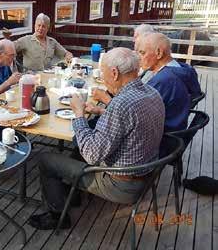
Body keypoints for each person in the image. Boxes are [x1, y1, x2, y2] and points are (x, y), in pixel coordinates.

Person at [28, 48, 165, 230]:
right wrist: (101, 111)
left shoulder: (121, 104)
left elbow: (92, 154)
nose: (103, 78)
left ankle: (57, 216)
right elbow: (130, 123)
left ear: (115, 73)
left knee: (46, 159)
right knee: (78, 148)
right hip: (147, 174)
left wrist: (78, 114)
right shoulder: (152, 92)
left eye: (103, 73)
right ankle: (73, 193)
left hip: (121, 186)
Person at [92, 33, 201, 132]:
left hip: (161, 136)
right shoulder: (184, 68)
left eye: (142, 53)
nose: (138, 58)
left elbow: (132, 115)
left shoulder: (164, 80)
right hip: (176, 125)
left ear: (159, 53)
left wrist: (105, 98)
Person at [6, 13, 73, 71]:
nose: (40, 28)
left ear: (48, 28)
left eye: (43, 26)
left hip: (47, 75)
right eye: (38, 25)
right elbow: (9, 47)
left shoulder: (52, 42)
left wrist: (68, 56)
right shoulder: (26, 40)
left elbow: (66, 53)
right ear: (34, 26)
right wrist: (7, 37)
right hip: (30, 77)